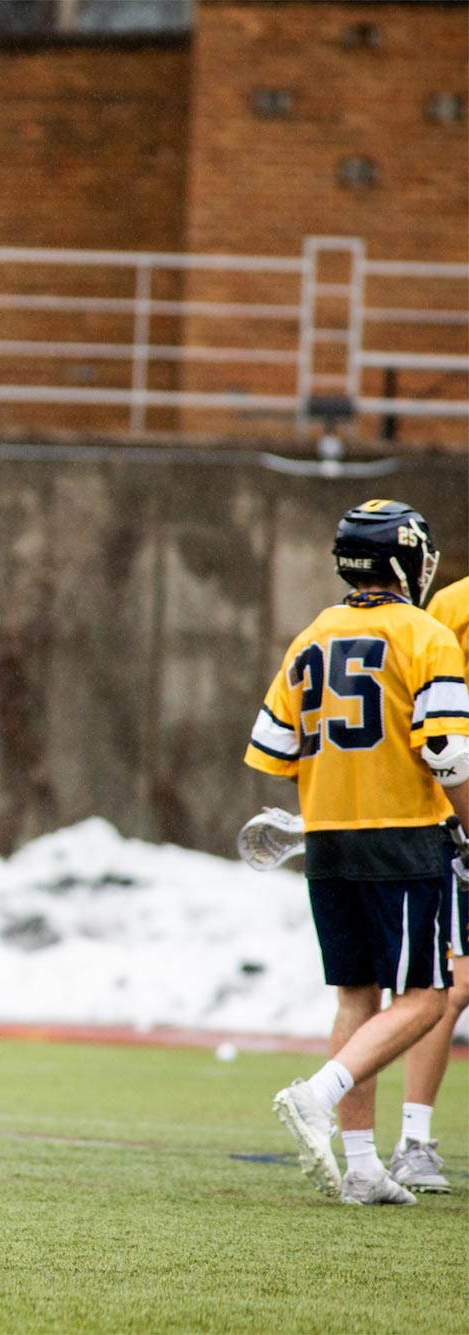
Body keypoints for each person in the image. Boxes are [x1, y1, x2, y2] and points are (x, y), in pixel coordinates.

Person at [251, 500, 469, 1205]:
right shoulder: (425, 634)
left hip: (328, 836)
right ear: (406, 559)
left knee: (357, 992)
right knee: (428, 996)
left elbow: (277, 751)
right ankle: (319, 1092)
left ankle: (362, 1165)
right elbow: (448, 751)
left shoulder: (312, 633)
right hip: (401, 831)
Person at [386, 570, 469, 1193]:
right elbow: (439, 723)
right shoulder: (453, 605)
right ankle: (414, 1140)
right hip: (463, 809)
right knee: (453, 980)